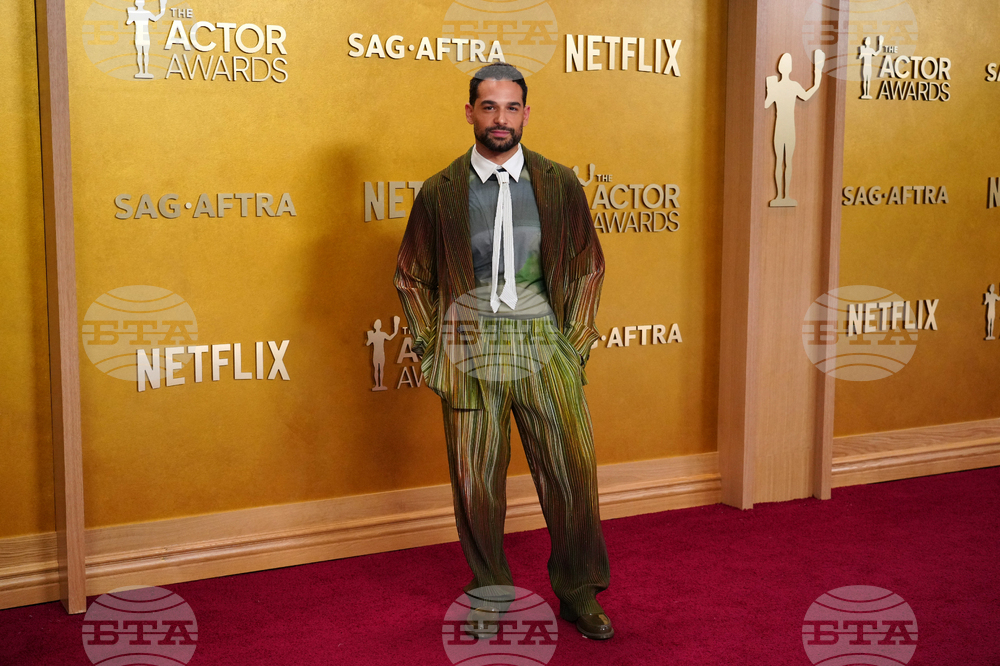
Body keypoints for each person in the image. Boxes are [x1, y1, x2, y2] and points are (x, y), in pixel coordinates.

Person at [394, 62, 613, 640]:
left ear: (526, 114)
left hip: (544, 343)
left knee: (572, 473)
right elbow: (411, 275)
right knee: (477, 487)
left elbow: (588, 265)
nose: (500, 118)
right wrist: (432, 349)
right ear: (470, 112)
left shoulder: (558, 183)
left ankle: (579, 592)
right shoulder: (440, 191)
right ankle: (490, 593)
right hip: (469, 349)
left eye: (511, 107)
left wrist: (574, 345)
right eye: (489, 106)